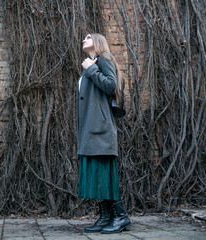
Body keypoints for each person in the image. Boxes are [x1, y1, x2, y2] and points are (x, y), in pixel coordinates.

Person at [77, 33, 131, 234]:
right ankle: (106, 217)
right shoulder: (90, 65)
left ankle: (121, 217)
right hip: (91, 129)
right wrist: (89, 69)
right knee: (99, 174)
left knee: (105, 174)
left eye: (88, 37)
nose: (84, 39)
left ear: (98, 42)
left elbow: (111, 86)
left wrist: (91, 69)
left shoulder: (104, 59)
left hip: (101, 128)